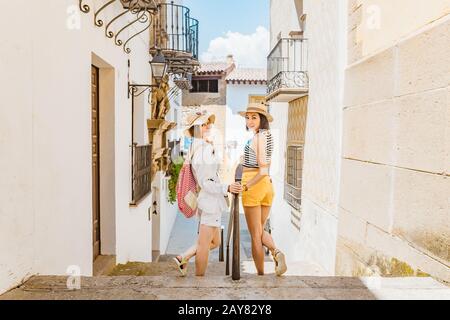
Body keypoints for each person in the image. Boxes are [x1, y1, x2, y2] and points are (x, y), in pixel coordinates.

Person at [173, 111, 242, 276]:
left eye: (208, 123)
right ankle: (199, 283)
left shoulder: (198, 146)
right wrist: (227, 187)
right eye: (203, 124)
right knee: (204, 244)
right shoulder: (203, 150)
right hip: (210, 202)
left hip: (209, 202)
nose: (208, 126)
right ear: (196, 128)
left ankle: (184, 256)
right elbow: (207, 182)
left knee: (215, 241)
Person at [238, 102, 287, 276]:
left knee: (255, 235)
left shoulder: (258, 138)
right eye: (248, 117)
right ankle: (277, 253)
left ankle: (260, 274)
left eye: (254, 117)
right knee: (260, 229)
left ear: (262, 119)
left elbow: (263, 168)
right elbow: (267, 167)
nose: (250, 121)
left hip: (254, 184)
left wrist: (245, 186)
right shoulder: (267, 136)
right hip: (267, 186)